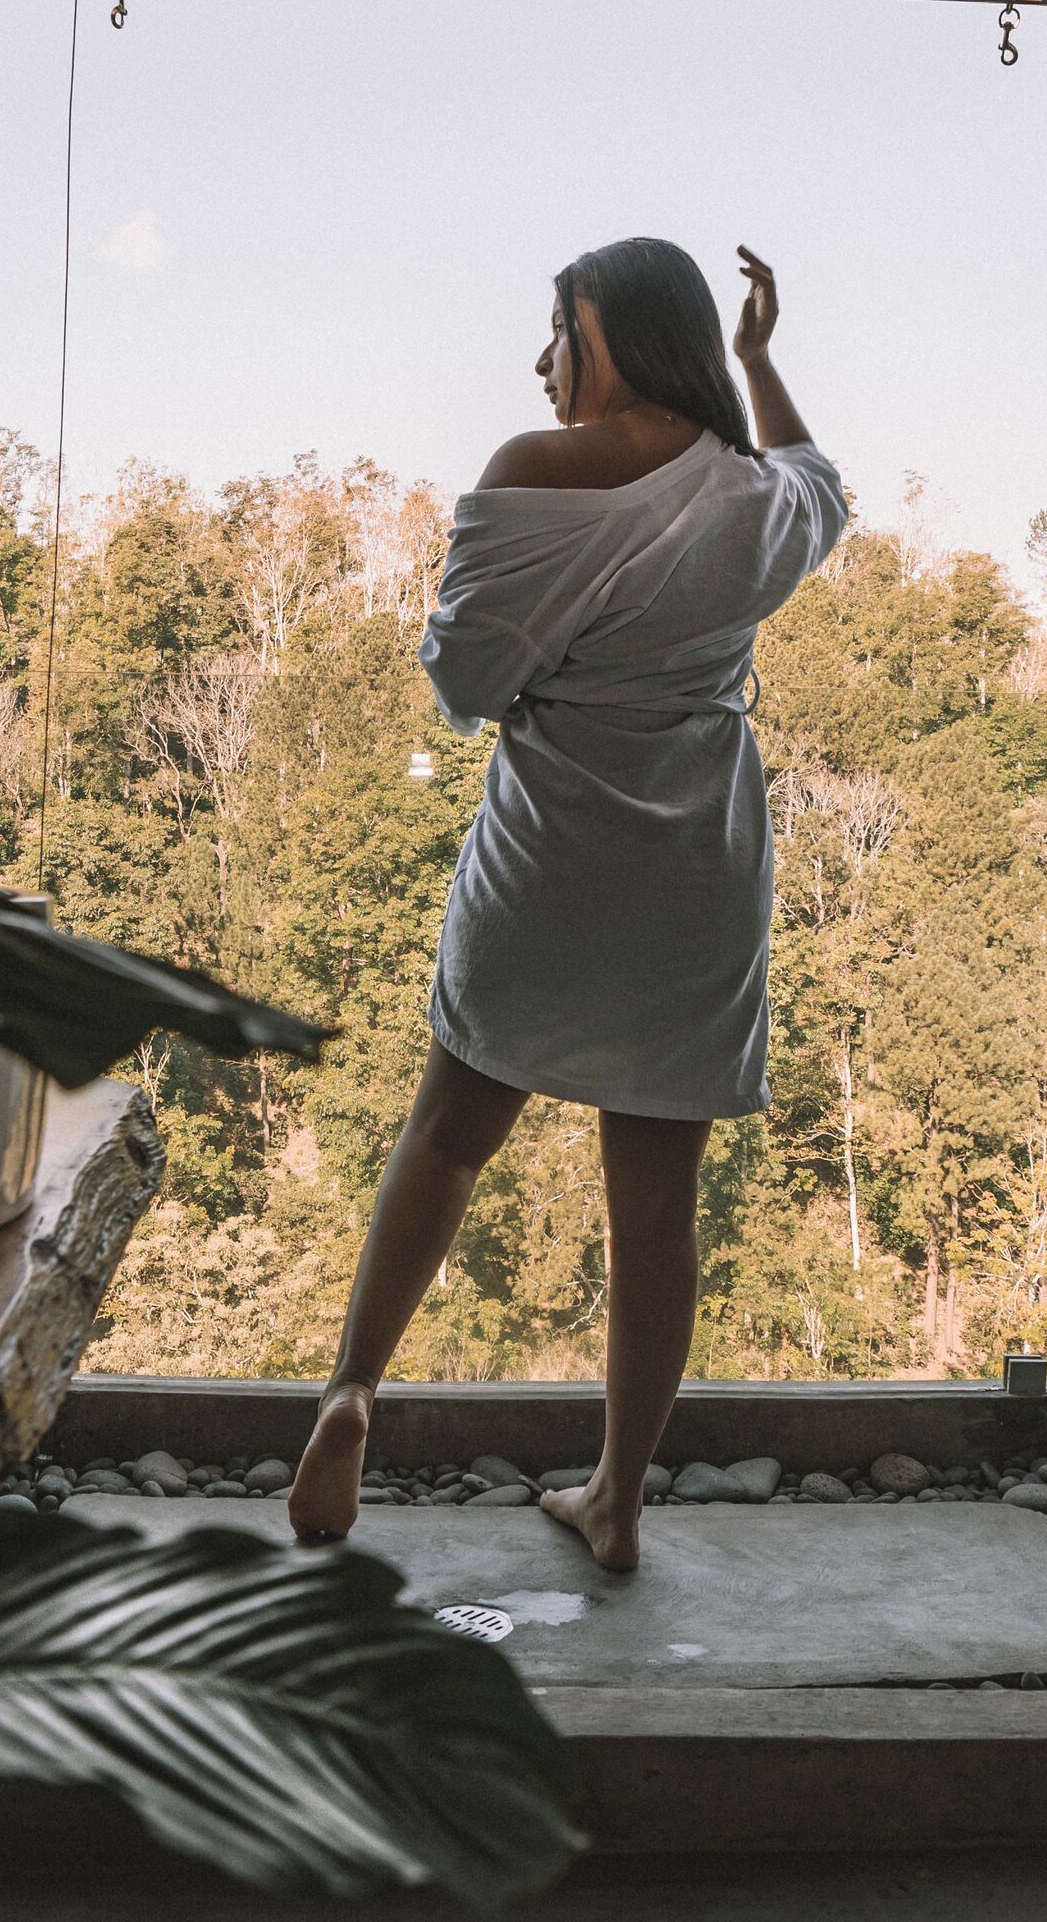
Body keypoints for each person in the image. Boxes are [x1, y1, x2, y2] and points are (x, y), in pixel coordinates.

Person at [285, 238, 844, 1571]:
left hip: (550, 855)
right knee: (654, 1207)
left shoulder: (533, 475)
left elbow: (469, 680)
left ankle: (354, 1388)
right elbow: (823, 483)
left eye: (559, 330)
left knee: (446, 1134)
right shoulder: (752, 501)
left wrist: (531, 670)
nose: (541, 362)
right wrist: (761, 363)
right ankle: (617, 1504)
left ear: (622, 338)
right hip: (692, 877)